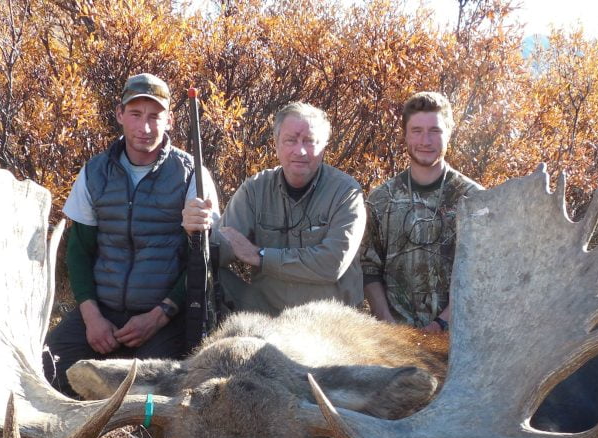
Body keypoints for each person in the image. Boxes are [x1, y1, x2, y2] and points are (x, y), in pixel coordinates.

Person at [44, 73, 219, 394]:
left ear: (170, 120)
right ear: (120, 115)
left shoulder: (193, 174)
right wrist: (92, 317)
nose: (145, 127)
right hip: (103, 311)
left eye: (155, 116)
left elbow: (203, 261)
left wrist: (159, 315)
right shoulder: (94, 172)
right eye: (136, 115)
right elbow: (79, 253)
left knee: (153, 395)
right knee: (47, 366)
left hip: (164, 317)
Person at [182, 102, 365, 316]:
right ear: (276, 144)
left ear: (324, 147)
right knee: (205, 276)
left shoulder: (346, 192)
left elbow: (332, 264)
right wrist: (199, 230)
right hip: (267, 314)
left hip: (327, 320)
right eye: (290, 140)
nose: (300, 150)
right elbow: (220, 250)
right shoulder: (255, 189)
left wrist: (260, 256)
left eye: (309, 141)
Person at [361, 91, 482, 332]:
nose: (425, 141)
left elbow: (483, 272)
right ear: (405, 135)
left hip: (460, 339)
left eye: (435, 131)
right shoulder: (381, 199)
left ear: (448, 134)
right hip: (396, 343)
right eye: (416, 131)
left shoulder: (475, 200)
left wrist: (442, 323)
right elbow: (368, 268)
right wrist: (388, 326)